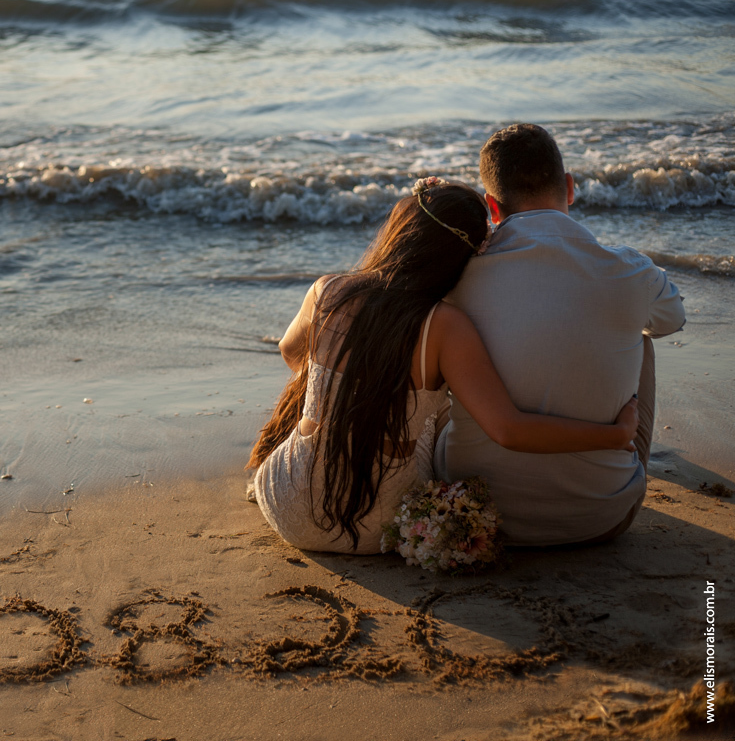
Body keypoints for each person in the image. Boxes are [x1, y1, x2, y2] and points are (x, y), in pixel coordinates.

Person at [248, 178, 639, 554]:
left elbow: (291, 352)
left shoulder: (328, 291)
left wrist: (349, 384)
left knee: (332, 392)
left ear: (399, 229)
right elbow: (508, 429)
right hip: (377, 525)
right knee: (438, 414)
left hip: (288, 502)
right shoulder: (445, 325)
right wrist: (615, 435)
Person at [434, 124, 685, 547]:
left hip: (473, 512)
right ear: (569, 187)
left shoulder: (456, 276)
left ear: (491, 207)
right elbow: (672, 320)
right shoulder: (631, 270)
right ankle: (607, 458)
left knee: (444, 338)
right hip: (601, 517)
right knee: (642, 333)